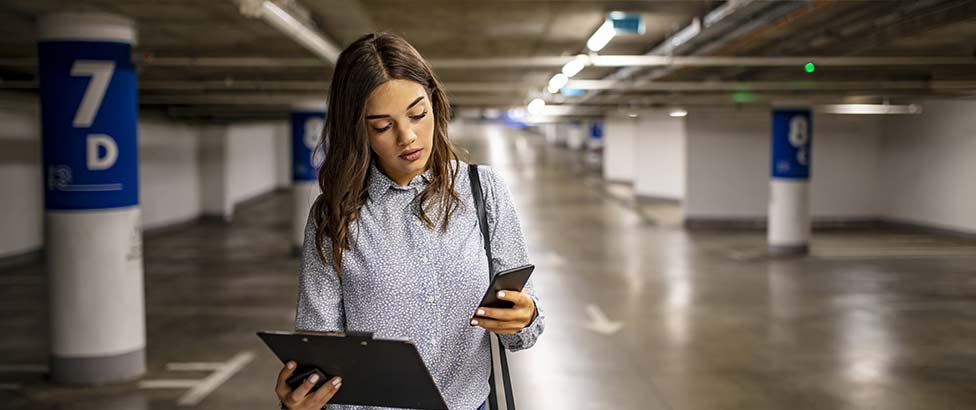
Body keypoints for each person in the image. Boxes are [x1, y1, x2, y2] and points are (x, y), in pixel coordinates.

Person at [273, 32, 545, 410]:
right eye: (382, 127)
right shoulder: (331, 215)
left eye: (418, 114)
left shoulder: (485, 191)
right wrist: (300, 396)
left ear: (435, 103)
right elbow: (319, 343)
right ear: (358, 131)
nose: (408, 136)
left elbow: (525, 330)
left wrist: (524, 315)